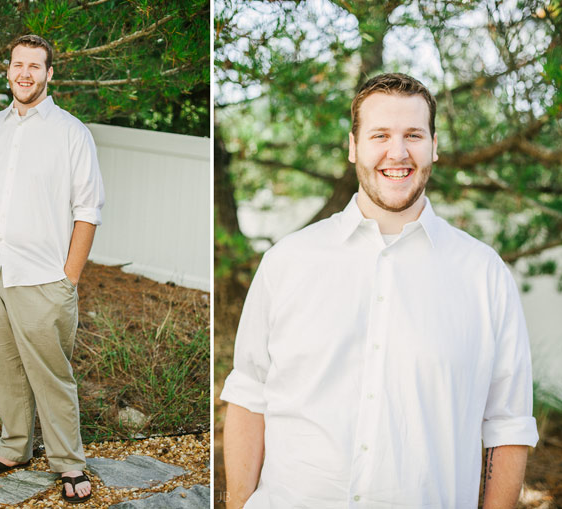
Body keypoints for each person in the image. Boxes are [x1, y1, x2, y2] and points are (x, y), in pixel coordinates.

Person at [220, 73, 538, 508]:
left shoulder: (485, 275)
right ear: (353, 146)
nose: (398, 152)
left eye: (413, 135)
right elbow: (248, 394)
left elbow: (508, 425)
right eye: (380, 135)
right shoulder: (288, 261)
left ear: (434, 145)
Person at [0, 34, 104, 504]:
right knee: (0, 370)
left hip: (43, 279)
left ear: (48, 74)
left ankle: (68, 464)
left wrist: (69, 278)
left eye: (34, 66)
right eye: (17, 64)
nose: (24, 73)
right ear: (8, 71)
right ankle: (14, 448)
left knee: (51, 375)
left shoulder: (71, 133)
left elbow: (87, 210)